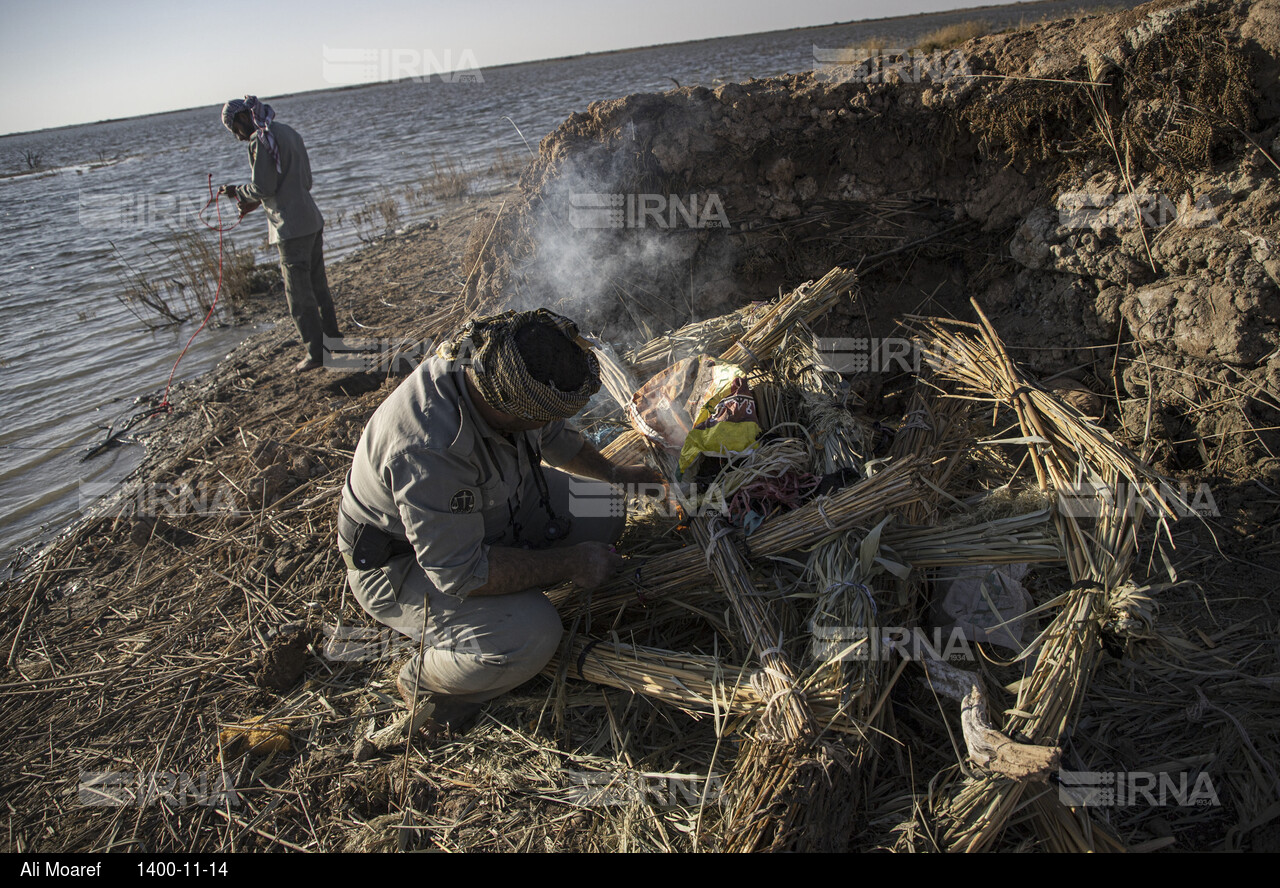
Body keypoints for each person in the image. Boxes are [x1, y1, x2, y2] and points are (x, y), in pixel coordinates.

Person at [337, 309, 660, 739]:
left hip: (489, 506)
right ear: (507, 408)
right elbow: (459, 571)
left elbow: (556, 439)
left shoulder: (507, 371)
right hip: (405, 562)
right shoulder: (428, 449)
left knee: (603, 507)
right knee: (531, 636)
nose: (545, 423)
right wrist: (570, 564)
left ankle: (511, 594)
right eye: (537, 418)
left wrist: (616, 475)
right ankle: (429, 676)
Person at [219, 95, 340, 373]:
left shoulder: (259, 140)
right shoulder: (288, 132)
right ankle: (334, 343)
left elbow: (264, 186)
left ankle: (316, 353)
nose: (237, 137)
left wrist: (238, 192)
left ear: (241, 119)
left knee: (298, 295)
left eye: (234, 129)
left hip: (290, 228)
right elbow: (304, 181)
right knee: (319, 288)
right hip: (310, 219)